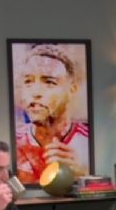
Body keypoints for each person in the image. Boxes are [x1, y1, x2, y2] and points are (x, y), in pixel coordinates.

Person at [13, 44, 90, 183]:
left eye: (49, 82)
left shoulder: (87, 141)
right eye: (28, 81)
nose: (35, 92)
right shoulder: (13, 142)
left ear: (72, 90)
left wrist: (82, 174)